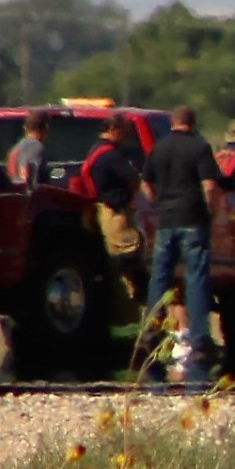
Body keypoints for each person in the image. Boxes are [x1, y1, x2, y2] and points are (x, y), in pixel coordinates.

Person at [139, 104, 223, 379]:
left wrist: (159, 204)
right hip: (193, 219)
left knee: (160, 277)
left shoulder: (159, 148)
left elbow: (145, 184)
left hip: (166, 220)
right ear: (193, 122)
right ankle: (199, 339)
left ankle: (150, 332)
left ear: (173, 123)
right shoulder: (200, 148)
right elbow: (210, 186)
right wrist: (210, 210)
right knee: (196, 277)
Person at [75, 112, 147, 358]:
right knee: (130, 264)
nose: (126, 135)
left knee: (117, 267)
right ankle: (136, 330)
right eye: (124, 130)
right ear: (113, 129)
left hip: (102, 212)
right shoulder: (110, 155)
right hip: (115, 214)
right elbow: (133, 181)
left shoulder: (95, 151)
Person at [5, 110, 49, 187]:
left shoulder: (18, 146)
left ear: (25, 128)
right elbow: (26, 173)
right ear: (45, 127)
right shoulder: (35, 146)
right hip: (29, 196)